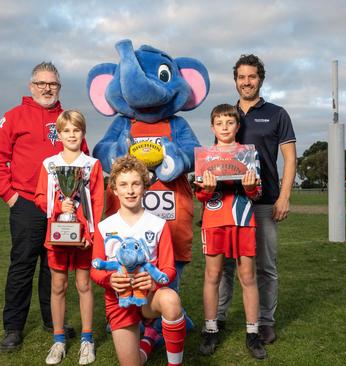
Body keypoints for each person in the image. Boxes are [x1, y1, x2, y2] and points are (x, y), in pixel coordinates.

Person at [0, 62, 86, 352]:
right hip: (27, 203)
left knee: (54, 267)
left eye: (52, 84)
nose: (47, 88)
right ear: (31, 86)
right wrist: (10, 196)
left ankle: (51, 320)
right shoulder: (14, 116)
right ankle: (13, 328)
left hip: (61, 207)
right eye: (41, 83)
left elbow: (83, 156)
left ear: (59, 87)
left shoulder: (67, 119)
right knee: (22, 266)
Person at [216, 54, 297, 345]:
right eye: (241, 77)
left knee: (265, 266)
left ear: (260, 79)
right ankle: (219, 316)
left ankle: (265, 320)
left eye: (251, 76)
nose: (246, 82)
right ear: (235, 80)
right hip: (228, 203)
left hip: (264, 202)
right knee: (225, 265)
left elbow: (290, 159)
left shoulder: (277, 114)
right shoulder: (226, 114)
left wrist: (284, 197)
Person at [91, 156, 186, 366]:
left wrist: (154, 283)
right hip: (119, 300)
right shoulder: (104, 227)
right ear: (114, 189)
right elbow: (95, 269)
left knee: (171, 300)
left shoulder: (158, 224)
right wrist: (110, 279)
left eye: (136, 184)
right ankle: (150, 339)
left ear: (145, 187)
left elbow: (169, 268)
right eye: (123, 185)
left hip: (150, 297)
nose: (130, 190)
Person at [194, 104, 266, 359]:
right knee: (212, 275)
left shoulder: (248, 154)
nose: (225, 127)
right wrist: (207, 189)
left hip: (244, 220)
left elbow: (257, 193)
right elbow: (201, 195)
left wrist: (248, 188)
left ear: (238, 126)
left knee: (248, 276)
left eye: (230, 122)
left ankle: (253, 333)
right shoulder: (205, 156)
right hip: (214, 222)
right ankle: (211, 329)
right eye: (220, 123)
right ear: (212, 127)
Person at [35, 110, 103, 365]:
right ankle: (59, 340)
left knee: (84, 285)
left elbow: (97, 203)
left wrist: (91, 234)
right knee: (57, 286)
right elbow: (40, 196)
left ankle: (87, 339)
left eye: (76, 130)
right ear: (59, 135)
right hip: (57, 234)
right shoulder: (49, 165)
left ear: (83, 133)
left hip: (83, 237)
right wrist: (57, 208)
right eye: (67, 131)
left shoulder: (92, 165)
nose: (72, 135)